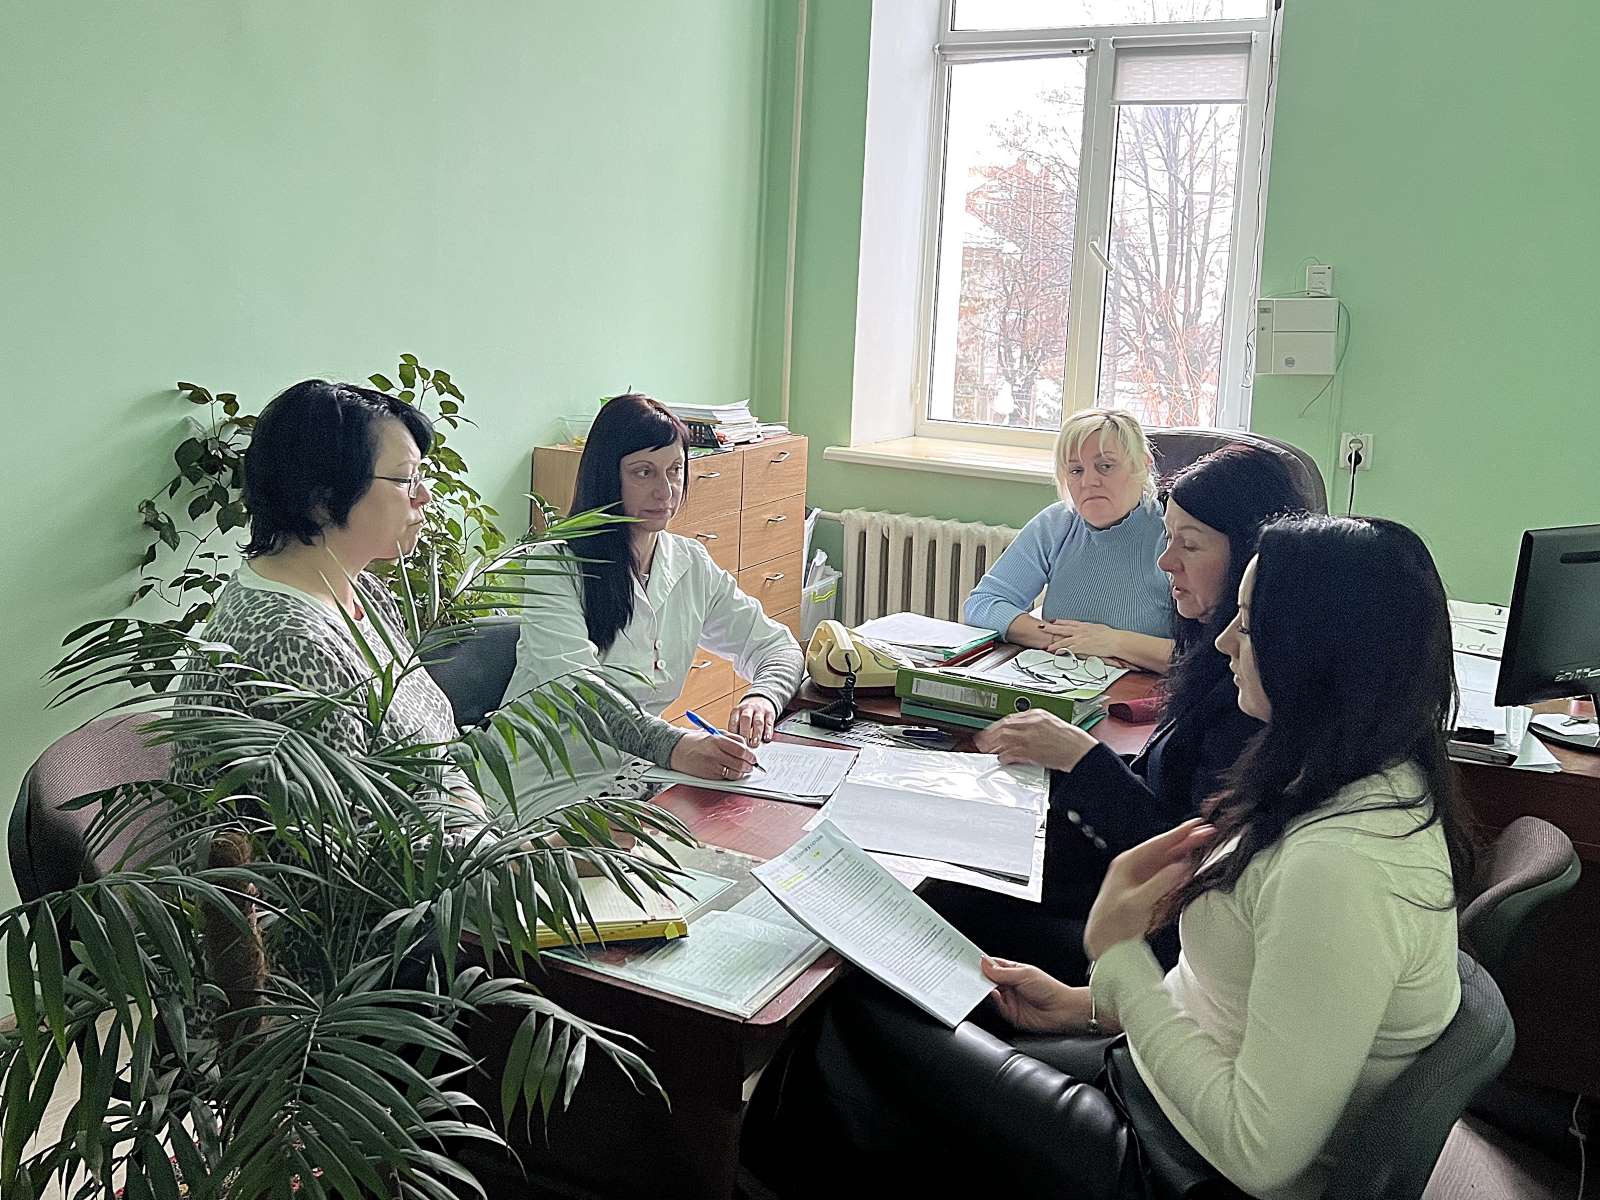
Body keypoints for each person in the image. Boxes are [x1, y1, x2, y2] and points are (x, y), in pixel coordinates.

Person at [782, 514, 1474, 1200]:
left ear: (1316, 652)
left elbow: (1260, 1155)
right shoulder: (1344, 781)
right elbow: (1234, 1004)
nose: (1226, 641)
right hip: (1154, 1083)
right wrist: (1089, 1005)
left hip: (1174, 1165)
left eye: (1249, 623)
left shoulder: (1342, 869)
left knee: (856, 1012)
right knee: (898, 1010)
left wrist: (1119, 959)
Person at [958, 443, 1310, 974]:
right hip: (1120, 884)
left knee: (946, 907)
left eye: (1189, 545)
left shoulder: (1254, 695)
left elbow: (1187, 856)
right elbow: (1166, 782)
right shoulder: (1213, 656)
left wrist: (1082, 758)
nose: (1165, 562)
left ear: (1251, 557)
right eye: (1168, 539)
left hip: (1159, 934)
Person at [172, 378, 475, 816]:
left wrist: (478, 818)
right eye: (404, 479)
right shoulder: (289, 643)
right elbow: (355, 843)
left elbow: (437, 756)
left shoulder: (364, 592)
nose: (424, 496)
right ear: (320, 497)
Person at [502, 392, 804, 786]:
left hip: (634, 774)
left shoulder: (689, 562)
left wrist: (762, 698)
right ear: (607, 477)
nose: (665, 491)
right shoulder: (556, 565)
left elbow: (778, 647)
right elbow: (578, 693)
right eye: (643, 472)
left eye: (675, 470)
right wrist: (676, 746)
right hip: (543, 781)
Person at [962, 409, 1175, 673]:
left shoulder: (1174, 535)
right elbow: (982, 604)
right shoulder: (1057, 524)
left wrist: (1114, 643)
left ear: (1143, 464)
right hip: (1060, 678)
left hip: (1142, 691)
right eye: (1076, 470)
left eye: (1105, 466)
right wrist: (1063, 640)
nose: (1088, 481)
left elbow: (1204, 655)